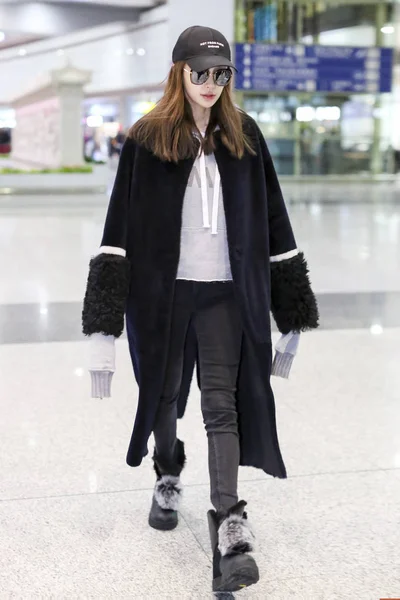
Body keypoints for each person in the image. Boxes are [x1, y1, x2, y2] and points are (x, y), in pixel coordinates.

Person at [82, 25, 319, 594]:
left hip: (225, 296)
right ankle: (168, 471)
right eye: (200, 73)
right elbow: (117, 229)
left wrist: (293, 317)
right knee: (163, 398)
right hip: (160, 296)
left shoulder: (245, 136)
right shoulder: (146, 137)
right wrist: (102, 329)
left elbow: (276, 223)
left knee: (221, 404)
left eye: (222, 74)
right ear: (179, 72)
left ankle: (230, 524)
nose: (211, 84)